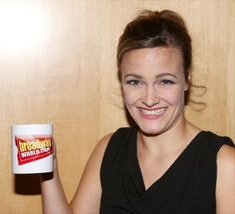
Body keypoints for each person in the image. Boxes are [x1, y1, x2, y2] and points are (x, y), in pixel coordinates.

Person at [40, 9, 235, 214]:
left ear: (187, 79)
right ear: (122, 81)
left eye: (165, 81)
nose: (149, 100)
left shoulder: (224, 164)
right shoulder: (109, 149)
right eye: (135, 82)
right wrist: (48, 170)